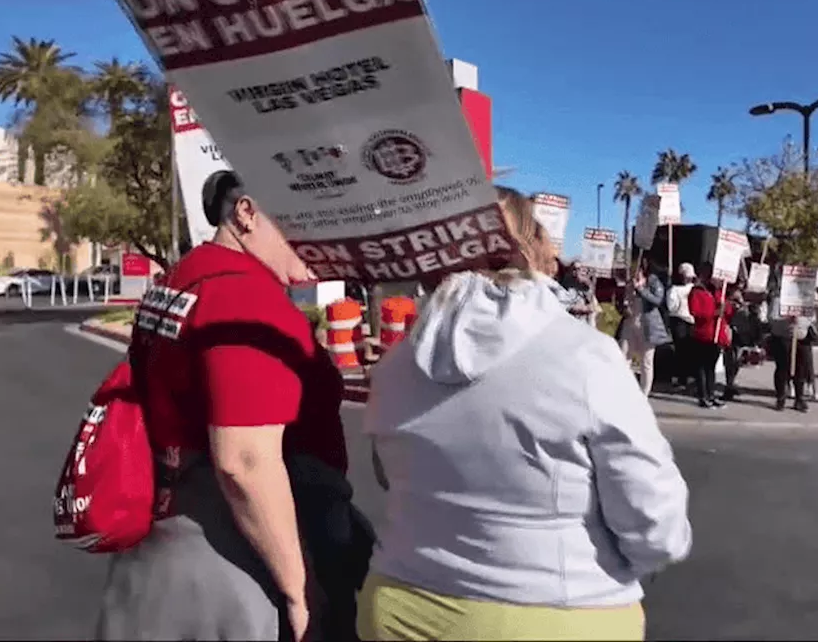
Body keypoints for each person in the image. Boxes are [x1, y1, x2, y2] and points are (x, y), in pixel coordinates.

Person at [360, 187, 692, 641]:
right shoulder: (584, 355)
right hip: (554, 612)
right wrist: (645, 558)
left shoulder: (396, 366)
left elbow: (388, 473)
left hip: (401, 603)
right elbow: (653, 516)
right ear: (530, 247)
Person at [97, 171, 370, 641]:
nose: (323, 245)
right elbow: (244, 462)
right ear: (247, 212)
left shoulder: (183, 279)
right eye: (308, 223)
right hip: (242, 556)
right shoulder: (244, 296)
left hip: (167, 536)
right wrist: (300, 590)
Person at [620, 260, 672, 397]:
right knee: (624, 356)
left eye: (636, 267)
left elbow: (658, 300)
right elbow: (621, 300)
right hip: (630, 323)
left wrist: (641, 289)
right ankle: (624, 389)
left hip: (648, 326)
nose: (633, 270)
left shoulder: (652, 281)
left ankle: (644, 393)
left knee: (646, 362)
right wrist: (623, 307)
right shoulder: (629, 283)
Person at [686, 265, 735, 408]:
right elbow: (695, 311)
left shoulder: (718, 292)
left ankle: (711, 394)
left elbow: (727, 311)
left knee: (711, 367)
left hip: (716, 335)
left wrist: (727, 307)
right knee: (702, 366)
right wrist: (714, 312)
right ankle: (703, 396)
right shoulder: (697, 291)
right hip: (703, 334)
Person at [767, 277, 815, 413]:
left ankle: (799, 399)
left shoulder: (806, 299)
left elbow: (812, 318)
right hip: (784, 338)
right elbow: (771, 318)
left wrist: (802, 320)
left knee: (801, 370)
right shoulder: (779, 299)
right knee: (783, 369)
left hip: (801, 337)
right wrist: (787, 320)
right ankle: (781, 398)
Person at [720, 283, 762, 401]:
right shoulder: (727, 303)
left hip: (739, 337)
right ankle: (729, 386)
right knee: (730, 362)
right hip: (730, 335)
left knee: (736, 362)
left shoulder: (743, 306)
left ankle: (731, 384)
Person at [664, 262, 698, 390]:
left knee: (684, 350)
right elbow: (671, 306)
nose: (687, 278)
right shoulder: (675, 289)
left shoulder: (679, 290)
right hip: (680, 320)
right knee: (683, 350)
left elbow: (671, 306)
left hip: (687, 321)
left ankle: (685, 377)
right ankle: (682, 377)